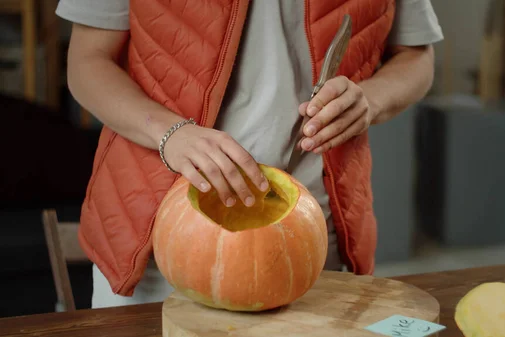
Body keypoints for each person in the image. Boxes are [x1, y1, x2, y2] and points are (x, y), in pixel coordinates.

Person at [56, 0, 443, 308]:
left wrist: (370, 101)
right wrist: (170, 134)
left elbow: (417, 57)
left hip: (314, 241)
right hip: (158, 244)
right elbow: (87, 62)